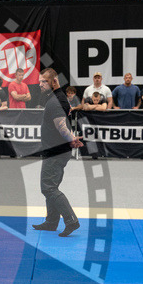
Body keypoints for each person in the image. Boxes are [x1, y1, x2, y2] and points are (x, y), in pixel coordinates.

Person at [33, 68, 83, 236]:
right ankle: (51, 221)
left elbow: (61, 126)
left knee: (48, 188)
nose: (40, 84)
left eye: (44, 81)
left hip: (56, 151)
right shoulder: (58, 98)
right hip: (56, 149)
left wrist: (71, 139)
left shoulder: (55, 101)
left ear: (54, 81)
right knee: (51, 186)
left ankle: (71, 220)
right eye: (40, 81)